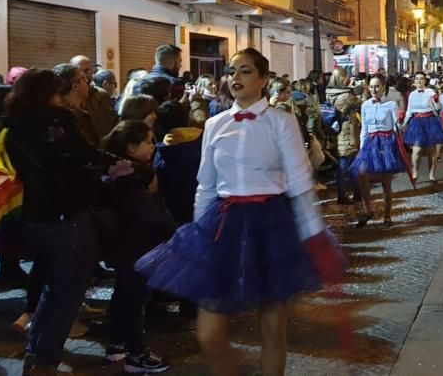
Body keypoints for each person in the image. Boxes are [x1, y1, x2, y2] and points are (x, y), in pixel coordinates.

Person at [134, 48, 343, 376]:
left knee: (272, 329)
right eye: (231, 71)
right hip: (224, 224)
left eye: (245, 71)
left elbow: (301, 181)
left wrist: (314, 235)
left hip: (272, 225)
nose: (235, 78)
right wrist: (198, 232)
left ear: (263, 79)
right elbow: (206, 185)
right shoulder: (215, 124)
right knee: (209, 333)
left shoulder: (282, 122)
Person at [3, 70, 133, 375]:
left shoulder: (13, 123)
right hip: (67, 217)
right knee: (67, 294)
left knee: (53, 288)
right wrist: (112, 168)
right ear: (52, 93)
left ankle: (36, 349)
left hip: (34, 217)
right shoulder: (57, 121)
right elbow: (80, 158)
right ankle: (46, 361)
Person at [101, 120, 176, 373]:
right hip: (135, 244)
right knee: (134, 298)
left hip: (123, 243)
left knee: (123, 295)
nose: (153, 145)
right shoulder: (130, 177)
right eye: (148, 141)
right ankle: (137, 355)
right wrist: (174, 228)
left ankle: (116, 345)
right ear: (131, 148)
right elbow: (145, 213)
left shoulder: (118, 170)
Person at [352, 76, 406, 228]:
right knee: (362, 174)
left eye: (377, 86)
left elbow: (397, 126)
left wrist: (401, 124)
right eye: (371, 87)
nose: (374, 90)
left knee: (386, 182)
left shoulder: (391, 105)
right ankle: (367, 211)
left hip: (386, 144)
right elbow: (364, 128)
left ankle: (387, 216)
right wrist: (362, 149)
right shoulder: (365, 105)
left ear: (383, 87)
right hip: (370, 143)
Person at [153, 101, 203, 226]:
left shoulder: (162, 154)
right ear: (187, 118)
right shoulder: (204, 143)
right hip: (204, 211)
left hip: (176, 218)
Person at [401, 72, 443, 183]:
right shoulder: (412, 94)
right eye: (417, 79)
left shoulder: (430, 92)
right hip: (417, 122)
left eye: (421, 79)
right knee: (416, 149)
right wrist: (405, 123)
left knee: (431, 151)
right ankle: (414, 172)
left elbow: (440, 108)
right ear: (414, 81)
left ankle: (431, 174)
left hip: (430, 121)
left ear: (425, 81)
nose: (419, 81)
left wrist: (436, 100)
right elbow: (409, 110)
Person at [324, 69, 361, 204]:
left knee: (347, 164)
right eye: (346, 77)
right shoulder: (345, 96)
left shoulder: (330, 93)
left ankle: (354, 193)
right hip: (346, 132)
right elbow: (361, 102)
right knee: (347, 165)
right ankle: (345, 195)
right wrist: (362, 89)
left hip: (336, 131)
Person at [71, 56, 118, 142]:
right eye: (79, 71)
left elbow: (114, 122)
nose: (83, 75)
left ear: (92, 70)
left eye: (86, 70)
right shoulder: (72, 98)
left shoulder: (102, 94)